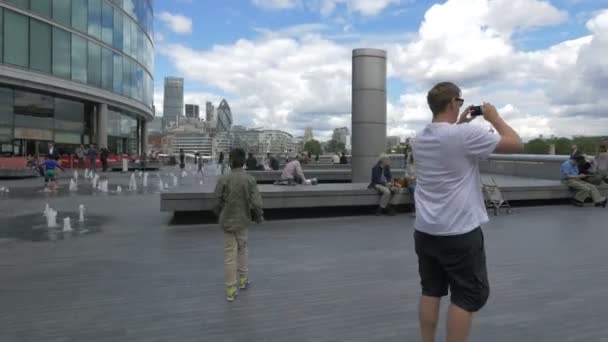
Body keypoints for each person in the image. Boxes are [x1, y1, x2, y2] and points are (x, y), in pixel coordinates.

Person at [413, 82, 523, 342]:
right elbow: (515, 143)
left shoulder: (421, 138)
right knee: (467, 297)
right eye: (459, 102)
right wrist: (495, 118)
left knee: (431, 291)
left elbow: (449, 142)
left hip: (426, 230)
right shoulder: (463, 136)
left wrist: (460, 122)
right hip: (459, 232)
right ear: (453, 103)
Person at [213, 148, 264, 302]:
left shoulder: (223, 179)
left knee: (230, 254)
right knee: (242, 249)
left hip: (227, 221)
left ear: (230, 161)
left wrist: (220, 213)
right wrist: (258, 216)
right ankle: (243, 279)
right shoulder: (249, 179)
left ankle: (230, 289)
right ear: (243, 162)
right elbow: (256, 202)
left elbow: (215, 202)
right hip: (243, 220)